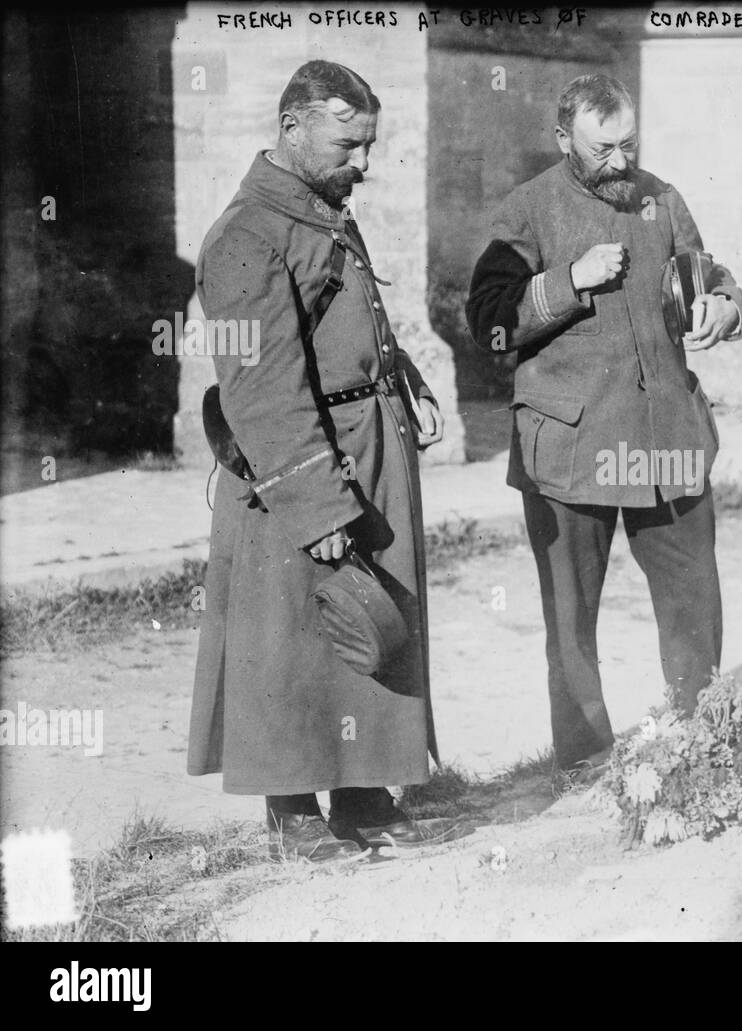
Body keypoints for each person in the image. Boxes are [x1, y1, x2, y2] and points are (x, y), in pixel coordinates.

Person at [188, 61, 445, 860]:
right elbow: (260, 387)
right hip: (293, 463)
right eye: (348, 145)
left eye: (369, 145)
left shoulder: (322, 206)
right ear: (292, 128)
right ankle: (292, 807)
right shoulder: (244, 234)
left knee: (371, 619)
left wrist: (407, 381)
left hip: (368, 444)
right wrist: (318, 501)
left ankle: (363, 789)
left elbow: (356, 320)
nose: (363, 163)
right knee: (291, 637)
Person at [465, 73, 742, 773]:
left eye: (629, 144)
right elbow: (489, 325)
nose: (621, 163)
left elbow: (711, 277)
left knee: (693, 600)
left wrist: (724, 306)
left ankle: (697, 738)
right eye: (602, 150)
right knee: (570, 617)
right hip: (572, 445)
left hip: (666, 438)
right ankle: (585, 761)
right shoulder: (526, 211)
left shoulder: (662, 198)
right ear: (564, 140)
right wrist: (569, 282)